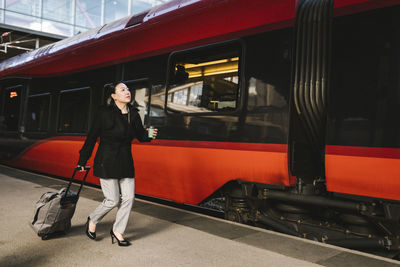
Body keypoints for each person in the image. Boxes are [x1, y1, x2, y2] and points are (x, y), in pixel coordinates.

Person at [77, 82, 157, 246]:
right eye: (122, 90)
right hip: (106, 161)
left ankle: (118, 231)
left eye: (128, 89)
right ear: (114, 96)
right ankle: (93, 219)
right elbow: (91, 137)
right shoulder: (103, 113)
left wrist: (150, 135)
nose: (127, 92)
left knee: (129, 198)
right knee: (112, 200)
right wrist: (82, 160)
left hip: (125, 161)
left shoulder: (133, 113)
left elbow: (140, 136)